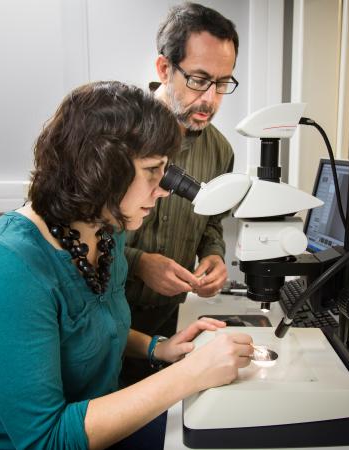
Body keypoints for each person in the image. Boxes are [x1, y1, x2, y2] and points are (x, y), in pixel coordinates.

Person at [0, 81, 253, 450]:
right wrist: (189, 374)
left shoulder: (107, 231)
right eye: (152, 170)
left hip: (96, 427)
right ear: (101, 171)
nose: (165, 189)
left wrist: (159, 348)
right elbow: (45, 439)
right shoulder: (5, 266)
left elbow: (88, 329)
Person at [122, 2, 240, 385]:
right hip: (103, 318)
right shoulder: (114, 135)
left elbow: (212, 223)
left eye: (223, 84)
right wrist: (139, 262)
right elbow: (73, 238)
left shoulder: (220, 151)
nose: (211, 99)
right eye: (199, 80)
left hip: (169, 324)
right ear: (164, 69)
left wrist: (213, 255)